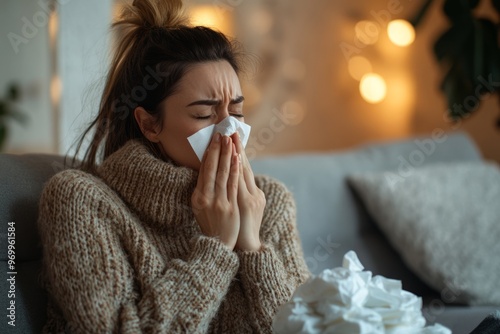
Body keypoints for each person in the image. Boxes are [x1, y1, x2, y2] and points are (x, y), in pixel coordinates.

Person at [37, 0, 310, 333]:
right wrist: (216, 248)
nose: (229, 130)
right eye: (204, 114)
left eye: (236, 112)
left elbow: (312, 325)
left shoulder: (269, 202)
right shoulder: (81, 201)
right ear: (150, 124)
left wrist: (253, 247)